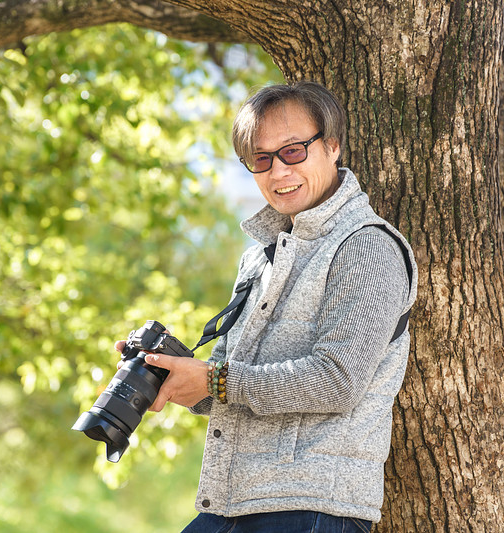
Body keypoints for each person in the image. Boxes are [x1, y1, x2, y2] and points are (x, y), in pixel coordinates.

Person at [119, 81, 417, 532]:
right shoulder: (260, 257)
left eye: (293, 151)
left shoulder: (367, 246)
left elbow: (338, 380)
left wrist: (217, 380)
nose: (278, 172)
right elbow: (230, 387)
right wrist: (174, 374)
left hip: (312, 507)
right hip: (232, 503)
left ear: (332, 146)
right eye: (261, 159)